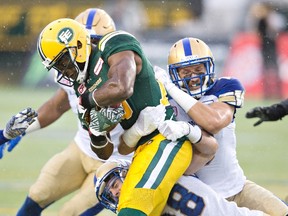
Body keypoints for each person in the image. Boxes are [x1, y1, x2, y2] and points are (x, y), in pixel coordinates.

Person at [36, 18, 219, 215]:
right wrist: (96, 132)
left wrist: (88, 101)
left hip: (166, 139)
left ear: (78, 46)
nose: (63, 70)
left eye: (63, 61)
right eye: (57, 66)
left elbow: (122, 87)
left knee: (131, 210)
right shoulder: (81, 88)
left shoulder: (112, 44)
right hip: (138, 152)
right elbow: (104, 153)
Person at [1, 8, 129, 216]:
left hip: (114, 159)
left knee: (70, 213)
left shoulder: (120, 77)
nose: (91, 50)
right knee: (38, 193)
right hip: (81, 148)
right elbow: (56, 106)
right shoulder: (71, 69)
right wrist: (20, 130)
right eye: (86, 43)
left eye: (96, 43)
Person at [155, 37, 288, 216]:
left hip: (239, 188)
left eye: (198, 69)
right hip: (200, 198)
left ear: (209, 67)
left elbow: (214, 122)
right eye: (186, 72)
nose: (193, 77)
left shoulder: (224, 86)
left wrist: (173, 89)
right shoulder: (163, 100)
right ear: (174, 74)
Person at [94, 159, 267, 216]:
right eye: (110, 194)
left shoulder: (163, 171)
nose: (115, 192)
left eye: (115, 184)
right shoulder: (141, 207)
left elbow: (208, 150)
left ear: (127, 174)